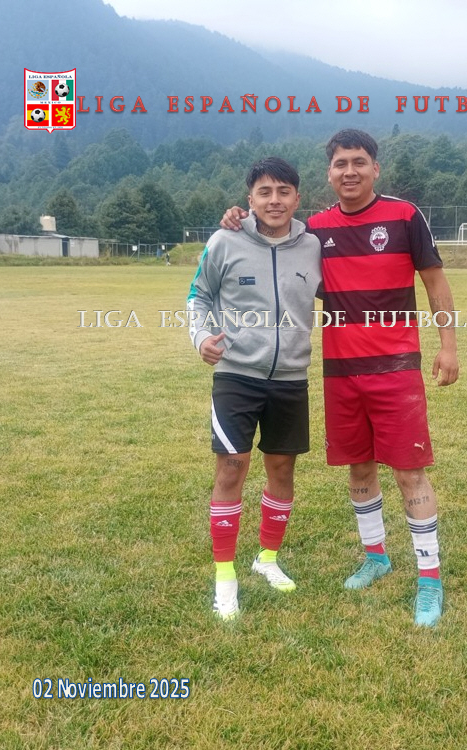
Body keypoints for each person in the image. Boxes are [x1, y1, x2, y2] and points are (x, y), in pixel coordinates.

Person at [223, 129, 458, 627]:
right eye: (340, 164)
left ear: (375, 168)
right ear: (328, 174)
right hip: (340, 372)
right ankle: (376, 558)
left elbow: (435, 281)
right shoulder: (315, 231)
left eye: (359, 162)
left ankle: (429, 581)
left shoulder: (405, 216)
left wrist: (449, 346)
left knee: (409, 472)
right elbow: (270, 235)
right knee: (359, 469)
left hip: (396, 369)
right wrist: (237, 218)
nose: (350, 171)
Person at [188, 157, 322, 621]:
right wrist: (201, 337)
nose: (274, 200)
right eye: (265, 192)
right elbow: (199, 295)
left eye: (284, 191)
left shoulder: (312, 246)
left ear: (297, 198)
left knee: (282, 470)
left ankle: (267, 559)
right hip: (236, 375)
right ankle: (225, 578)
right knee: (232, 468)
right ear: (250, 200)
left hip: (291, 378)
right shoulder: (224, 240)